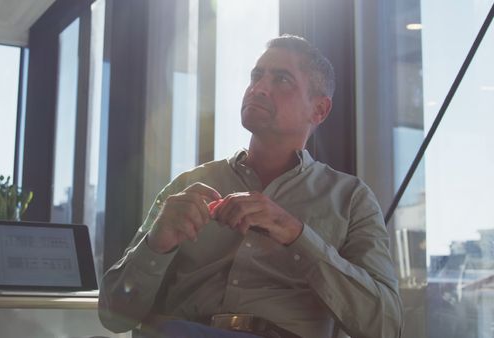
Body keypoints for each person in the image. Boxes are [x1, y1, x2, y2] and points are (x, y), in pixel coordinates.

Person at [98, 34, 403, 338]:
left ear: (319, 110)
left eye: (282, 80)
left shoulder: (352, 199)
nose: (258, 89)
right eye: (256, 76)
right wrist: (156, 245)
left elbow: (387, 327)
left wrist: (296, 234)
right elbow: (113, 317)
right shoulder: (187, 186)